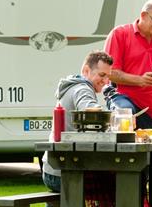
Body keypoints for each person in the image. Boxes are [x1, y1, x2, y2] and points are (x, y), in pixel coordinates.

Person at [41, 51, 114, 206]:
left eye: (108, 76)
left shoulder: (72, 86)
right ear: (86, 71)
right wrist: (116, 118)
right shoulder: (83, 88)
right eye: (102, 75)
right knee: (116, 184)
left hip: (53, 168)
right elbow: (90, 109)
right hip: (65, 172)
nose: (106, 81)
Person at [104, 0, 152, 129]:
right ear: (143, 15)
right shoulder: (120, 34)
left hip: (151, 111)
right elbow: (109, 73)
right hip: (121, 99)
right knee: (125, 116)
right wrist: (140, 80)